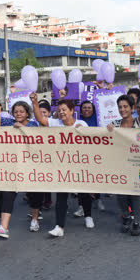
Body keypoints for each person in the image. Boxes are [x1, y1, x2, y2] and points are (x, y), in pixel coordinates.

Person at [0, 90, 40, 238]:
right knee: (8, 194)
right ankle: (4, 227)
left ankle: (35, 219)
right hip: (13, 165)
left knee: (35, 194)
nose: (18, 114)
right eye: (16, 111)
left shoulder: (34, 124)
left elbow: (36, 141)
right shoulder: (7, 123)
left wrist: (22, 129)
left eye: (21, 112)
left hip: (30, 165)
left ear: (27, 113)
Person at [33, 96, 90, 237]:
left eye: (64, 109)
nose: (62, 112)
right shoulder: (55, 122)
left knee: (84, 192)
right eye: (59, 110)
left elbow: (92, 140)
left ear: (72, 110)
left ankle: (88, 215)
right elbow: (40, 119)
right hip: (61, 166)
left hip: (79, 165)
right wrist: (34, 102)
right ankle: (59, 226)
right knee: (61, 195)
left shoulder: (82, 123)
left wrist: (82, 131)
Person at [107, 81, 140, 236]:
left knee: (136, 194)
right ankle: (126, 216)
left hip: (138, 164)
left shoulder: (139, 122)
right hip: (120, 164)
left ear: (132, 108)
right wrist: (108, 131)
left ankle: (136, 220)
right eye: (120, 107)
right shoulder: (114, 124)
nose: (122, 109)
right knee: (121, 194)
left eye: (125, 107)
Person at [77, 100, 105, 213]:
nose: (86, 110)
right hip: (80, 154)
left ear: (93, 109)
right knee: (81, 181)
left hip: (95, 153)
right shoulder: (77, 120)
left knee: (94, 178)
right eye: (84, 108)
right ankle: (81, 206)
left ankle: (98, 199)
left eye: (89, 108)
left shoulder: (99, 120)